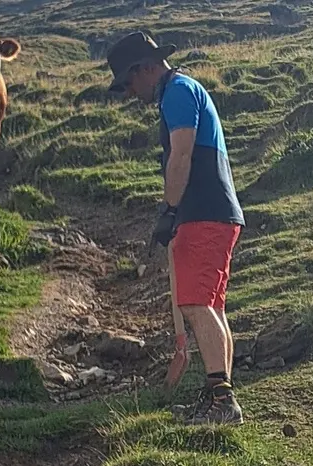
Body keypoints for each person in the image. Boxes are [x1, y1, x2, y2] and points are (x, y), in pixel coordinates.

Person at [106, 32, 245, 425]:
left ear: (146, 69)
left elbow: (181, 155)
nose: (131, 92)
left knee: (197, 303)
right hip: (212, 210)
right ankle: (218, 392)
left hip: (203, 210)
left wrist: (169, 210)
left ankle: (223, 402)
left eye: (130, 82)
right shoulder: (182, 90)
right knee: (211, 305)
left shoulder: (179, 92)